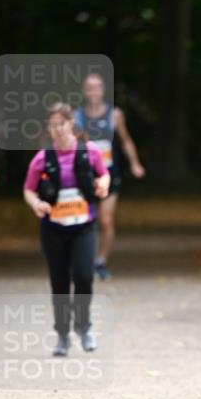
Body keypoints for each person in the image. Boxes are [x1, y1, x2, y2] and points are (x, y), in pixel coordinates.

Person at [23, 102, 110, 356]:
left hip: (84, 226)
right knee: (59, 283)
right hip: (53, 228)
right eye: (52, 126)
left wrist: (102, 185)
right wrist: (36, 203)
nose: (57, 130)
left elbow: (103, 174)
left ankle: (84, 327)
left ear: (72, 124)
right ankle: (62, 335)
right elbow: (28, 189)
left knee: (84, 276)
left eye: (61, 124)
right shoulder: (42, 157)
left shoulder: (89, 151)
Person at [75, 73, 145, 279]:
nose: (93, 92)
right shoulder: (77, 116)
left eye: (97, 87)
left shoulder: (114, 115)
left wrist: (135, 163)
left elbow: (125, 141)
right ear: (84, 91)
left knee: (105, 220)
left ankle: (101, 260)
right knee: (83, 220)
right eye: (89, 88)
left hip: (110, 174)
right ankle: (83, 260)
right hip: (85, 175)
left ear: (103, 90)